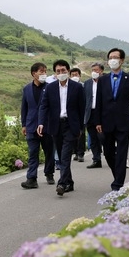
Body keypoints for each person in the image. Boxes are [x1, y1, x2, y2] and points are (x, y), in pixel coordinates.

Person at [96, 48, 129, 191]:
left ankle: (118, 184)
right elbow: (98, 101)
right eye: (110, 57)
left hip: (123, 122)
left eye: (115, 57)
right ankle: (118, 174)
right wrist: (97, 121)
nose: (113, 60)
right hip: (106, 122)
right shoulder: (102, 80)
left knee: (122, 153)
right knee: (108, 152)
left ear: (122, 60)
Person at [37, 59, 85, 196]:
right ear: (55, 73)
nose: (61, 73)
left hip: (71, 125)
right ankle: (69, 182)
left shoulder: (77, 87)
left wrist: (81, 127)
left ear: (68, 71)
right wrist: (41, 123)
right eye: (58, 71)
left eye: (63, 70)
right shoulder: (50, 88)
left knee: (64, 156)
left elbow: (82, 109)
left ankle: (62, 184)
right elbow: (44, 106)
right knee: (61, 153)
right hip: (56, 125)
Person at [20, 63, 55, 189]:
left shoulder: (51, 87)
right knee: (33, 152)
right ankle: (31, 178)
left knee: (49, 151)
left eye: (45, 71)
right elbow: (24, 108)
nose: (44, 74)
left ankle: (49, 173)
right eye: (41, 71)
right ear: (33, 73)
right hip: (31, 125)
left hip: (47, 125)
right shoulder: (27, 88)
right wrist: (24, 124)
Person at [83, 62, 105, 169]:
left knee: (102, 136)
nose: (94, 72)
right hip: (90, 113)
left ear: (101, 71)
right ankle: (96, 159)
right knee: (93, 137)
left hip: (102, 113)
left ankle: (110, 154)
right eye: (92, 70)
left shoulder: (106, 82)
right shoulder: (87, 83)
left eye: (96, 70)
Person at [69, 67, 86, 162]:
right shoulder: (68, 87)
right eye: (73, 75)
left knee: (81, 133)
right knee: (72, 134)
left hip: (81, 113)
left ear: (80, 76)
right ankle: (75, 152)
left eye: (76, 75)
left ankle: (80, 153)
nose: (74, 76)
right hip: (71, 113)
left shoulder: (83, 86)